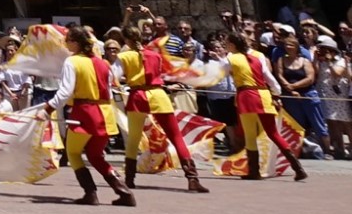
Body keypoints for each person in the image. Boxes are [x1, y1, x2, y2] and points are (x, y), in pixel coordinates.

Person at [116, 22, 207, 193]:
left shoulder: (125, 56)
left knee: (134, 138)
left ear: (126, 39)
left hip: (138, 96)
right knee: (176, 137)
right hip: (158, 95)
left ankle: (129, 179)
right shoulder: (155, 55)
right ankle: (192, 178)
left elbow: (113, 76)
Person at [48, 25, 135, 206]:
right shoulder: (103, 63)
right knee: (96, 156)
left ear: (75, 42)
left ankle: (90, 193)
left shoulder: (72, 62)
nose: (65, 44)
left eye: (68, 40)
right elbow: (110, 90)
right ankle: (124, 191)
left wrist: (47, 109)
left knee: (72, 153)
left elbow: (64, 92)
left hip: (85, 112)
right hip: (104, 113)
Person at [219, 27, 308, 181]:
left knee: (250, 135)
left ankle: (254, 171)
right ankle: (297, 167)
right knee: (273, 133)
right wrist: (276, 93)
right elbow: (269, 77)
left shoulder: (231, 58)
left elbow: (218, 73)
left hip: (246, 97)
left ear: (233, 45)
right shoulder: (258, 56)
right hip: (264, 95)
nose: (225, 45)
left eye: (227, 43)